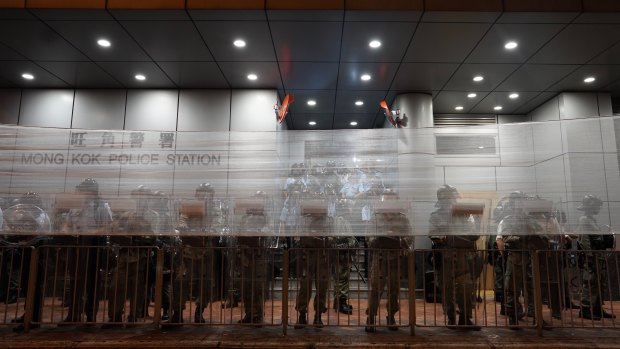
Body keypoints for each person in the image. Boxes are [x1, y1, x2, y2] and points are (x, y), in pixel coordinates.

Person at [61, 178, 113, 325]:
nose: (80, 192)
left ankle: (91, 315)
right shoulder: (76, 206)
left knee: (92, 282)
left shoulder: (101, 206)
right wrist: (67, 231)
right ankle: (73, 314)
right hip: (77, 247)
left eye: (83, 189)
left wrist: (90, 233)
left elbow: (107, 226)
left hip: (93, 248)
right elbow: (67, 224)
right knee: (75, 281)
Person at [429, 185, 481, 330]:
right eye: (451, 196)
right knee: (446, 288)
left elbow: (474, 234)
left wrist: (476, 221)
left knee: (465, 287)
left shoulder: (463, 214)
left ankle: (465, 318)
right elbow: (433, 233)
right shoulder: (436, 215)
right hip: (445, 257)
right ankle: (451, 318)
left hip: (463, 256)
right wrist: (444, 237)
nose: (454, 199)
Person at [168, 183, 221, 326]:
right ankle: (177, 312)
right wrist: (185, 229)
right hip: (188, 251)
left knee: (206, 283)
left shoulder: (215, 210)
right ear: (196, 194)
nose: (204, 195)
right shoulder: (191, 207)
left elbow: (217, 226)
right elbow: (181, 222)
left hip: (206, 251)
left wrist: (207, 232)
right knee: (182, 282)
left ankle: (200, 311)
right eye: (201, 192)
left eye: (207, 193)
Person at [499, 192, 551, 328]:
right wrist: (523, 237)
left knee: (534, 289)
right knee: (512, 289)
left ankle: (536, 317)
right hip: (515, 257)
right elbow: (506, 237)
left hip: (530, 258)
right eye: (519, 201)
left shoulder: (530, 219)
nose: (522, 203)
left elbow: (543, 236)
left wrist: (541, 239)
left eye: (523, 201)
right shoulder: (508, 219)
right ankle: (513, 318)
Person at [105, 185, 153, 327]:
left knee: (138, 289)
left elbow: (155, 235)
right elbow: (115, 229)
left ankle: (134, 315)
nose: (140, 198)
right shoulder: (127, 214)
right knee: (116, 287)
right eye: (137, 195)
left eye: (143, 195)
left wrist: (139, 238)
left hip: (141, 257)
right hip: (124, 256)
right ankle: (114, 316)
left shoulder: (152, 215)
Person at [365, 189, 412, 332]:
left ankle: (391, 317)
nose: (389, 202)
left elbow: (410, 236)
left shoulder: (402, 218)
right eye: (386, 199)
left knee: (394, 290)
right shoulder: (375, 217)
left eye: (391, 199)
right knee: (375, 290)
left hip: (395, 259)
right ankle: (371, 318)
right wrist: (376, 241)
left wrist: (401, 242)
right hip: (379, 258)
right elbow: (368, 236)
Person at [4, 192, 51, 332]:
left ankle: (33, 318)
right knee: (27, 285)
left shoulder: (39, 216)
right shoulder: (32, 215)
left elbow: (34, 232)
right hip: (29, 252)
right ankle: (28, 314)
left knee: (34, 286)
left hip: (37, 254)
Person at [576, 194, 616, 320]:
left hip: (598, 256)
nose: (598, 207)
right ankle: (585, 308)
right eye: (596, 205)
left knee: (600, 283)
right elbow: (584, 241)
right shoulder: (584, 220)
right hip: (592, 257)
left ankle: (597, 308)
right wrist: (589, 257)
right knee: (590, 282)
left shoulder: (592, 220)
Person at [236, 191, 271, 326]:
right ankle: (249, 313)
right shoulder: (246, 217)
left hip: (259, 255)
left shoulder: (266, 217)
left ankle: (257, 314)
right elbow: (239, 232)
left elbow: (267, 232)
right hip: (246, 255)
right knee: (246, 286)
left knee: (257, 287)